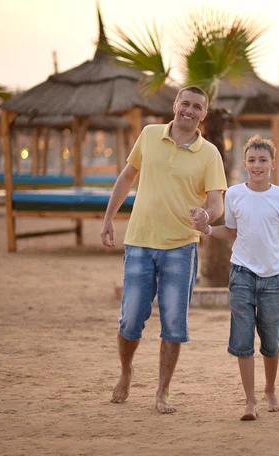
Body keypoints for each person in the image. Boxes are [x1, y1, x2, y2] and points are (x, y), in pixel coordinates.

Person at [99, 86, 227, 414]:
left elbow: (216, 203)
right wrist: (109, 217)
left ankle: (162, 391)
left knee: (174, 324)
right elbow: (127, 177)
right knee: (130, 321)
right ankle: (126, 373)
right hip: (140, 242)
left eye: (197, 106)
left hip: (181, 248)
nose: (190, 110)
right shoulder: (149, 134)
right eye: (185, 103)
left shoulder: (209, 153)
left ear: (204, 114)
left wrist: (206, 215)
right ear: (175, 105)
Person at [193, 135, 279, 421]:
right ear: (245, 164)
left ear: (273, 164)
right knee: (243, 340)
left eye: (263, 160)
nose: (257, 165)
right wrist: (206, 230)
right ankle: (250, 400)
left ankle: (269, 390)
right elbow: (229, 232)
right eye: (252, 160)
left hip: (272, 279)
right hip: (241, 274)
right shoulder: (234, 194)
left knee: (271, 342)